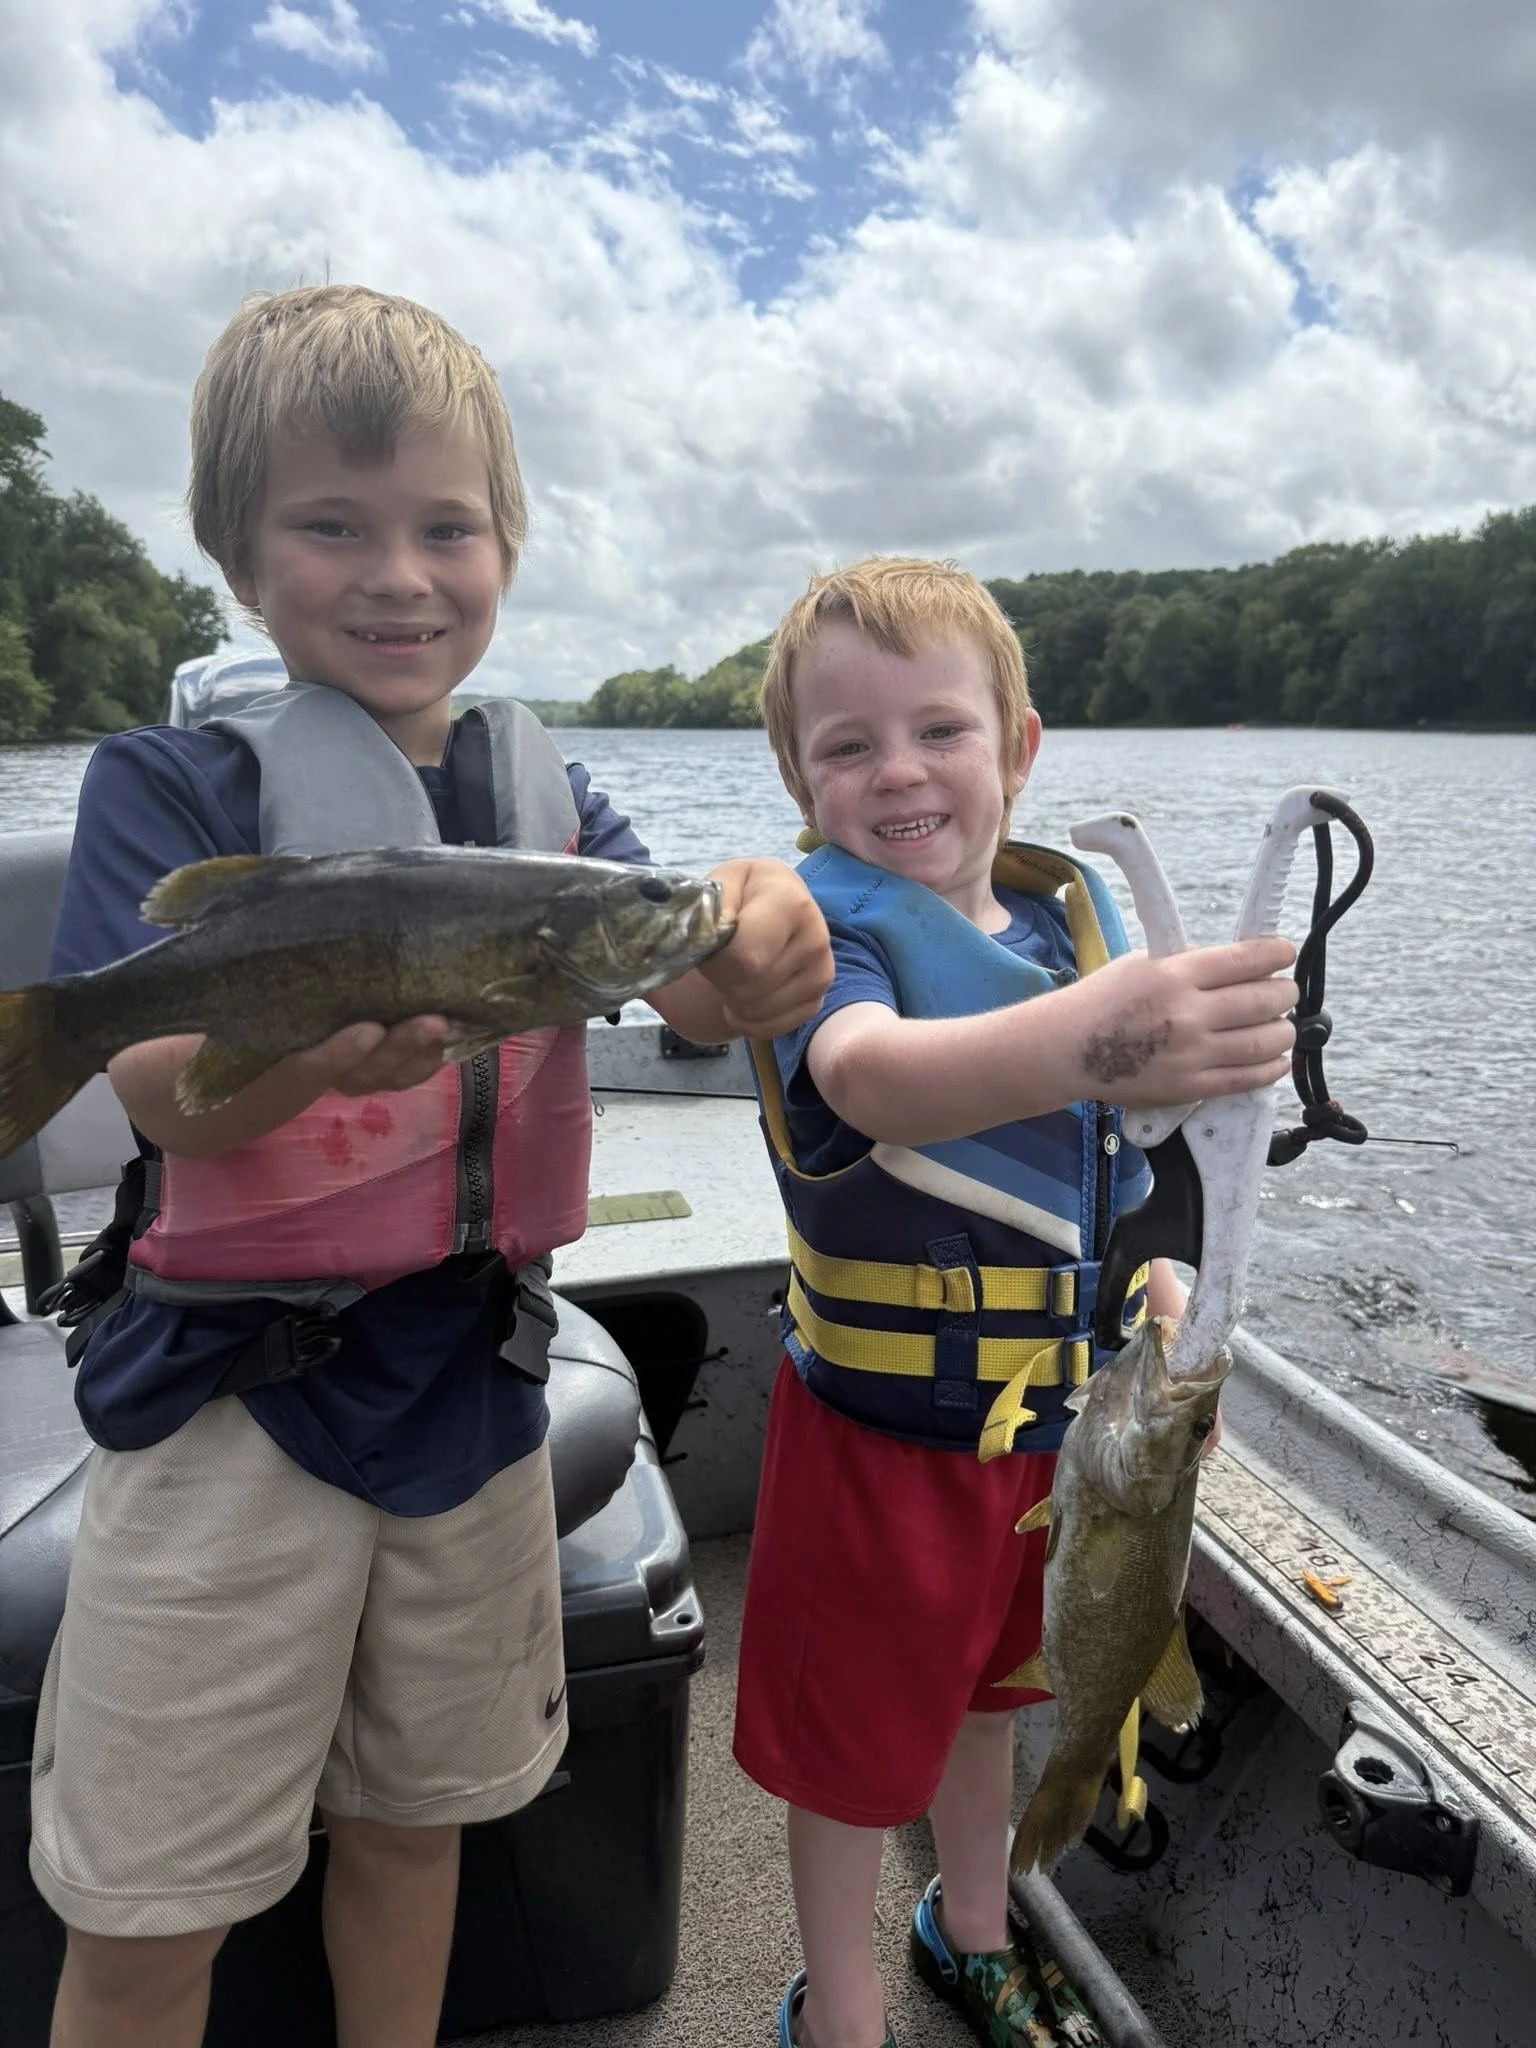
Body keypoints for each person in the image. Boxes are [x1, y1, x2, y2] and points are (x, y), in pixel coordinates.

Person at [30, 283, 833, 2048]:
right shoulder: (168, 787)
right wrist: (311, 1043)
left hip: (470, 1390)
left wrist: (770, 923)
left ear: (506, 547)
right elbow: (171, 1098)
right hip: (225, 1415)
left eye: (445, 528)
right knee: (149, 1900)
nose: (398, 573)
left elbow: (686, 955)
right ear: (242, 559)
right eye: (333, 525)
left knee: (420, 1829)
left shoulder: (547, 804)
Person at [734, 557, 1298, 2048]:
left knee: (990, 1706)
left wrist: (1158, 1283)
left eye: (940, 730)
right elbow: (864, 1073)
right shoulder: (821, 930)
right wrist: (1101, 1040)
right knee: (854, 1760)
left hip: (1048, 1446)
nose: (897, 772)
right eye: (847, 746)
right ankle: (839, 2012)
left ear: (1020, 747)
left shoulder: (1073, 930)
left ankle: (970, 1930)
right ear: (801, 776)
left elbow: (1119, 1179)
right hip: (874, 1447)